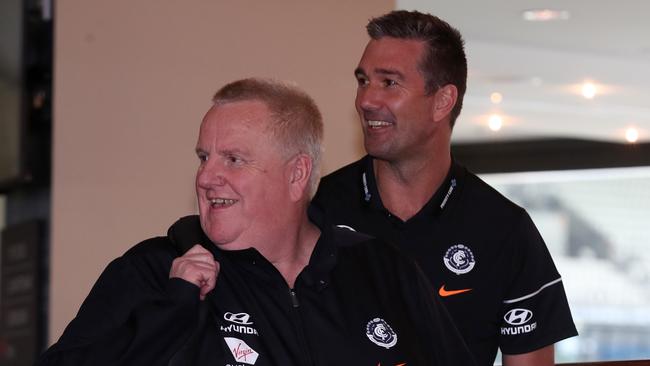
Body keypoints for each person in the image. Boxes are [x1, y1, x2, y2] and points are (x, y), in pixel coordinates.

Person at [37, 78, 476, 365]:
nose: (207, 177)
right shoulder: (153, 272)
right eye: (204, 158)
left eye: (234, 159)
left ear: (297, 173)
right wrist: (172, 308)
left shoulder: (380, 269)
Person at [313, 10, 578, 366]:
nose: (366, 100)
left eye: (388, 82)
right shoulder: (315, 210)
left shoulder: (504, 229)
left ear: (443, 101)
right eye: (363, 81)